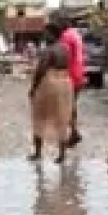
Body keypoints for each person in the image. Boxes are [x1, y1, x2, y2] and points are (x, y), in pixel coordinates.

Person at [28, 24, 75, 164]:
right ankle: (62, 154)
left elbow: (41, 69)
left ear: (52, 34)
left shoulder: (48, 50)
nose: (44, 35)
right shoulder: (65, 48)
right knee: (62, 118)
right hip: (66, 82)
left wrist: (33, 88)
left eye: (46, 33)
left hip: (49, 82)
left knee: (39, 117)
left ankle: (37, 153)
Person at [57, 17, 86, 147]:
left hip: (70, 75)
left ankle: (73, 134)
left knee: (67, 106)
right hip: (79, 73)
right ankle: (74, 133)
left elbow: (64, 56)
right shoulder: (76, 34)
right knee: (72, 105)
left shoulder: (66, 36)